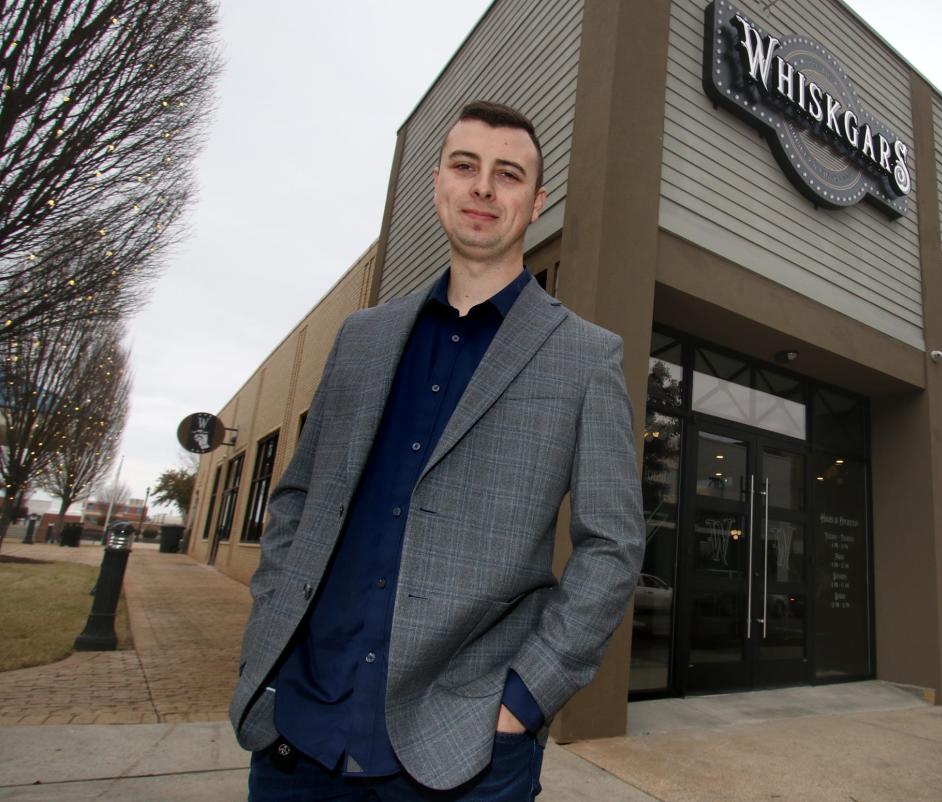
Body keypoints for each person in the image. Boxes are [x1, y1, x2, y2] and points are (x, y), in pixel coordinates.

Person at [230, 100, 644, 801]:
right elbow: (298, 498)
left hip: (465, 751)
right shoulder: (360, 339)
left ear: (535, 202)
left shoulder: (586, 358)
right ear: (437, 184)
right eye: (465, 166)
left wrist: (527, 697)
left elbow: (613, 545)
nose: (483, 187)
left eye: (507, 174)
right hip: (299, 732)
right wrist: (270, 628)